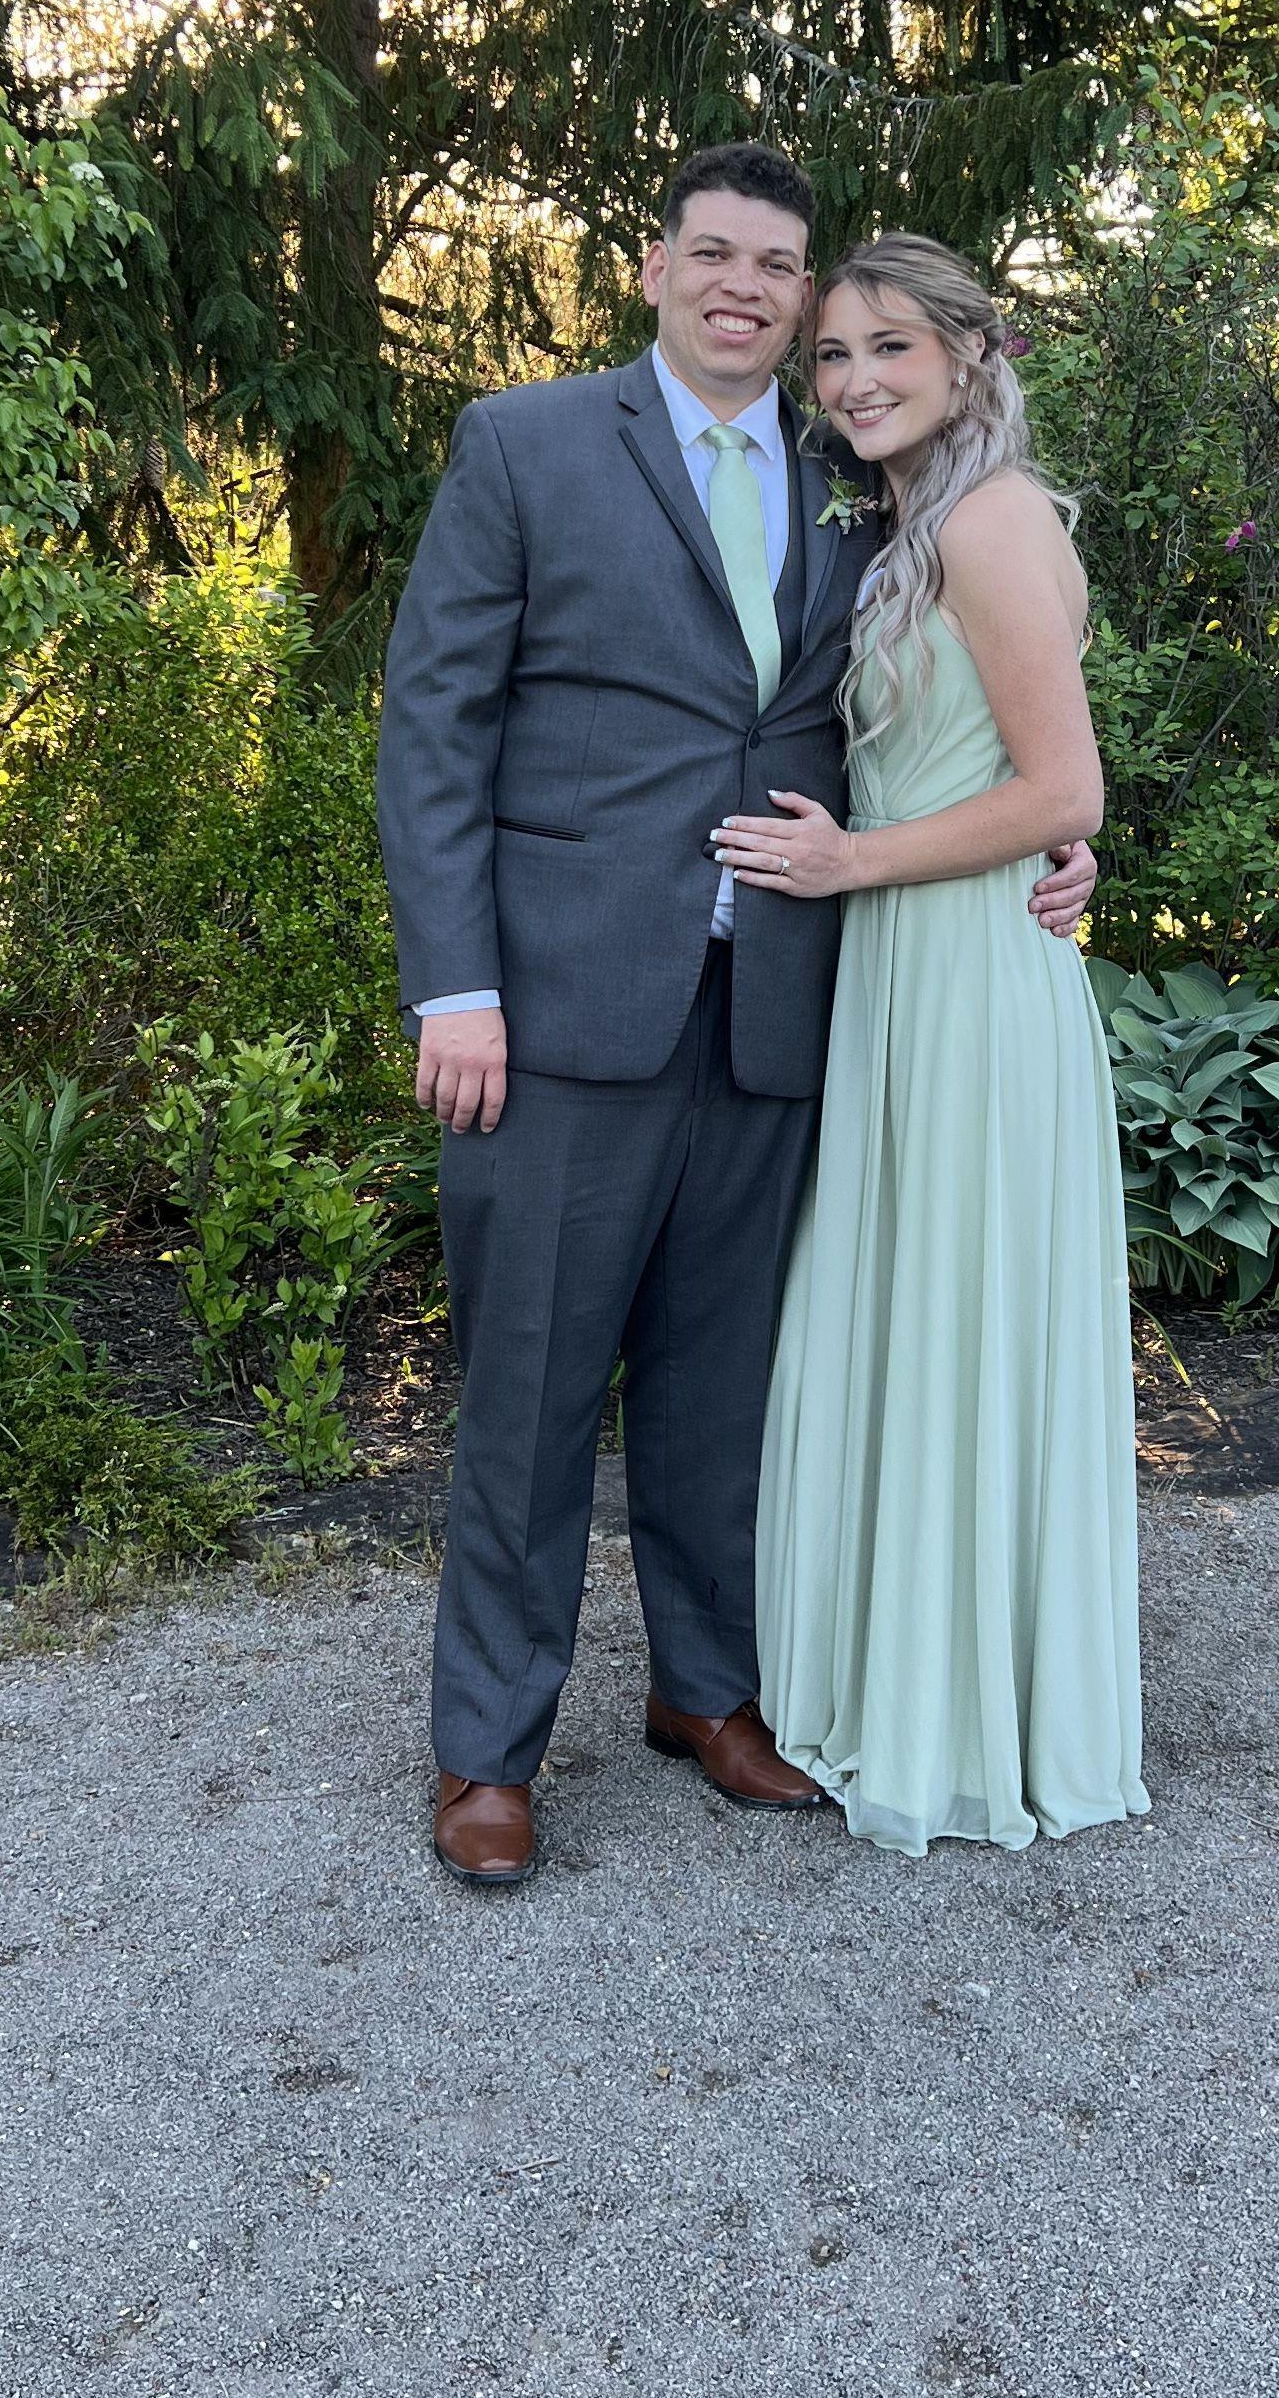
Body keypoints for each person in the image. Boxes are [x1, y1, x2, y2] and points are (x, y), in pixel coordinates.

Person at [374, 146, 1098, 1888]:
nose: (745, 288)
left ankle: (705, 1691)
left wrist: (1062, 835)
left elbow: (980, 703)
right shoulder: (527, 444)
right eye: (713, 253)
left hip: (787, 1007)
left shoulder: (867, 480)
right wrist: (455, 986)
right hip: (561, 1009)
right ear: (653, 268)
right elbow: (434, 730)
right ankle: (490, 1750)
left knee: (726, 1391)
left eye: (778, 266)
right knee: (533, 1395)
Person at [722, 232, 1147, 1856]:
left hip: (966, 978)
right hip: (904, 973)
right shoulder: (902, 523)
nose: (854, 381)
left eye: (890, 346)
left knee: (959, 1315)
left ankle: (969, 1714)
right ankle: (906, 1679)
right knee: (909, 1314)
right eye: (833, 354)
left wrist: (852, 862)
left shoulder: (993, 518)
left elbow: (1065, 791)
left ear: (971, 353)